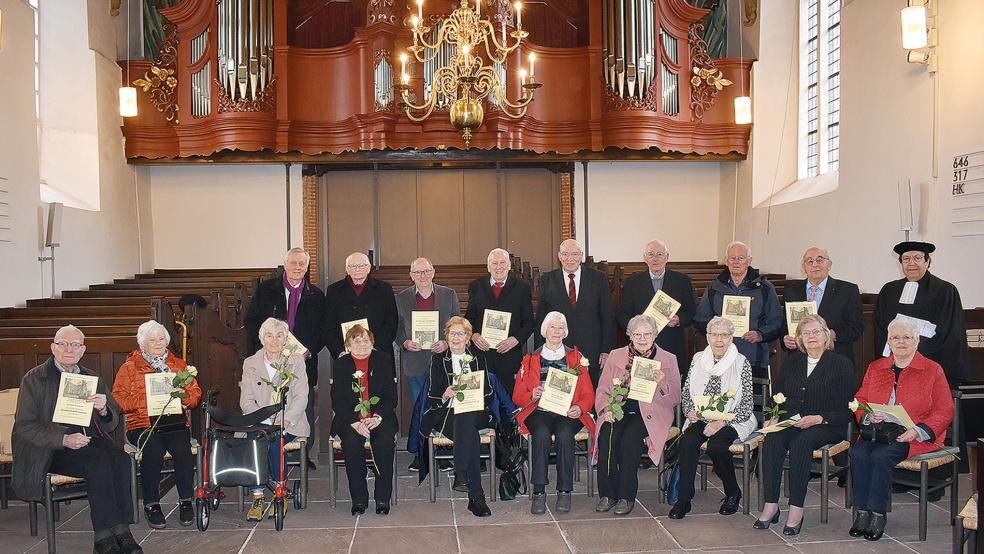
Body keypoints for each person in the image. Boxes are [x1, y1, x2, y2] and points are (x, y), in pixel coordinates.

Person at [11, 326, 143, 554]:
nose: (68, 349)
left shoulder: (91, 377)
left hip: (87, 441)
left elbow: (109, 423)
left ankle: (122, 531)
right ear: (53, 348)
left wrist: (103, 410)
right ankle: (103, 538)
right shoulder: (35, 378)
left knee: (121, 459)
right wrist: (63, 439)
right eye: (63, 344)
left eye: (75, 345)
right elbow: (25, 426)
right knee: (98, 462)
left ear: (83, 350)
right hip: (50, 450)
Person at [848, 316, 954, 541]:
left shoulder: (932, 369)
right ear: (889, 341)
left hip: (914, 434)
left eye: (907, 337)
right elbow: (860, 399)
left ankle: (877, 514)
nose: (901, 342)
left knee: (880, 456)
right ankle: (862, 511)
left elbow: (945, 410)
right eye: (896, 337)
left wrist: (918, 430)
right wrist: (868, 415)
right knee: (857, 453)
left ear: (917, 341)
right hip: (879, 430)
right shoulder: (876, 367)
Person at [755, 315, 856, 535]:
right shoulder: (794, 361)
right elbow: (778, 394)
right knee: (772, 439)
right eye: (806, 333)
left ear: (826, 335)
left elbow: (848, 407)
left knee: (802, 442)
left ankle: (796, 509)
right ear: (799, 338)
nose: (811, 337)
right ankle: (771, 504)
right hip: (792, 419)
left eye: (816, 332)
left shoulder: (841, 364)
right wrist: (774, 415)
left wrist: (820, 418)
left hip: (827, 423)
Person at [112, 320, 202, 529]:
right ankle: (152, 503)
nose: (158, 343)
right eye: (152, 340)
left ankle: (186, 501)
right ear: (142, 343)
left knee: (183, 450)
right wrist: (146, 402)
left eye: (161, 338)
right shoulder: (129, 367)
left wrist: (183, 397)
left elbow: (195, 396)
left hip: (174, 423)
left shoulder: (178, 365)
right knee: (153, 448)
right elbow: (117, 398)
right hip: (141, 424)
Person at [244, 247, 326, 468]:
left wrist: (309, 350)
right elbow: (251, 322)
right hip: (270, 357)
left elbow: (323, 329)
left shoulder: (316, 295)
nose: (298, 267)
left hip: (303, 360)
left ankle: (303, 452)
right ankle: (269, 442)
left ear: (307, 268)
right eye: (294, 263)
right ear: (285, 264)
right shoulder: (266, 290)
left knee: (303, 402)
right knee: (268, 397)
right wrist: (265, 343)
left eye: (302, 264)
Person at [593, 315, 681, 516]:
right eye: (637, 334)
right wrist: (606, 409)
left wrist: (663, 384)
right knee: (607, 435)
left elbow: (675, 398)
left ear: (655, 335)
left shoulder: (668, 359)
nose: (642, 338)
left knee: (630, 440)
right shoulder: (616, 355)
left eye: (647, 334)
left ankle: (626, 496)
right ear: (629, 335)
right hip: (619, 408)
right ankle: (608, 494)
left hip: (651, 412)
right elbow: (602, 390)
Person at [669, 316, 755, 519]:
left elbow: (746, 405)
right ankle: (684, 500)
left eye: (724, 335)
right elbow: (687, 390)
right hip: (702, 416)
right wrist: (690, 410)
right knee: (688, 441)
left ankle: (733, 493)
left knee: (717, 445)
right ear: (707, 337)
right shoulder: (699, 358)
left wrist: (721, 422)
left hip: (733, 418)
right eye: (714, 335)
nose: (719, 340)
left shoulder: (741, 362)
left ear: (731, 338)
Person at [514, 311, 596, 515]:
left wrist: (581, 407)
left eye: (561, 328)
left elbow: (588, 393)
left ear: (565, 332)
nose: (557, 332)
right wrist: (532, 395)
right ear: (544, 330)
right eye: (553, 327)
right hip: (539, 410)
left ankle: (564, 491)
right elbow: (517, 396)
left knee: (565, 435)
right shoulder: (531, 358)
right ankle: (539, 492)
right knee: (540, 434)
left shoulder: (576, 357)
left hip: (568, 412)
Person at [417, 316, 498, 517]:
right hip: (446, 413)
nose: (456, 338)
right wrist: (445, 394)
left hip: (476, 411)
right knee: (468, 431)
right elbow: (432, 397)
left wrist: (474, 394)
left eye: (460, 333)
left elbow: (489, 394)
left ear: (468, 337)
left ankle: (461, 472)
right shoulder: (438, 359)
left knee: (466, 416)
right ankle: (476, 497)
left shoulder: (478, 357)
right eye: (452, 333)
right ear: (446, 336)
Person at [239, 317, 310, 522]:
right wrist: (263, 418)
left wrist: (285, 419)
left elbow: (301, 396)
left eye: (280, 335)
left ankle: (279, 492)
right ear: (261, 339)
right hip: (259, 421)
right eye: (269, 335)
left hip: (290, 421)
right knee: (257, 440)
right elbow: (246, 401)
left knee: (276, 441)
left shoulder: (295, 361)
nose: (274, 340)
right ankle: (258, 495)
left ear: (286, 338)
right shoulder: (250, 363)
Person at [874, 241, 968, 387]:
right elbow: (880, 329)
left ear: (927, 261)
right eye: (906, 259)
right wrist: (894, 356)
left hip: (931, 365)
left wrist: (912, 354)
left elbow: (950, 334)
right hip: (895, 364)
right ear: (901, 263)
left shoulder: (945, 291)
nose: (911, 263)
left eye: (917, 258)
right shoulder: (889, 291)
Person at [330, 325, 398, 516]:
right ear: (348, 344)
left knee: (384, 442)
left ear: (372, 343)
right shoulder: (341, 364)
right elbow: (338, 400)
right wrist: (355, 423)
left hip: (379, 417)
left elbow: (391, 397)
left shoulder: (383, 360)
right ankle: (359, 499)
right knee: (351, 443)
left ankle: (382, 498)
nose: (361, 344)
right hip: (350, 420)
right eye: (356, 340)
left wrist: (376, 417)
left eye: (365, 340)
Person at [694, 241, 783, 378]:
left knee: (751, 398)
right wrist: (717, 332)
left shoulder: (764, 288)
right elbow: (700, 319)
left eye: (741, 258)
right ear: (726, 260)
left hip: (753, 356)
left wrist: (760, 334)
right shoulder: (714, 287)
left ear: (749, 261)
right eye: (732, 258)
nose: (736, 262)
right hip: (719, 355)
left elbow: (776, 321)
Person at [535, 239, 616, 386]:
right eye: (565, 254)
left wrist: (606, 350)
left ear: (581, 256)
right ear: (559, 256)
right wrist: (539, 352)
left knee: (590, 393)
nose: (570, 259)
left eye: (574, 254)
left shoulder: (598, 279)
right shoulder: (547, 280)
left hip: (592, 348)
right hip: (559, 349)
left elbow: (608, 316)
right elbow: (542, 319)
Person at [617, 239, 698, 375]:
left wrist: (679, 319)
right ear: (644, 258)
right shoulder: (633, 282)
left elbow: (691, 311)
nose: (655, 259)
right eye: (651, 254)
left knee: (670, 389)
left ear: (667, 257)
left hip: (672, 344)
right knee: (642, 390)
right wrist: (635, 328)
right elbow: (622, 315)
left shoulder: (682, 281)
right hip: (641, 346)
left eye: (660, 254)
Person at [464, 248, 534, 393]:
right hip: (482, 355)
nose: (498, 266)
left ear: (509, 265)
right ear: (488, 267)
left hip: (509, 356)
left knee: (507, 404)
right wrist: (474, 335)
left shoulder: (522, 288)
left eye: (502, 262)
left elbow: (529, 323)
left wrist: (515, 340)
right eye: (494, 263)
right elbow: (469, 319)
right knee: (483, 403)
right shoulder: (476, 286)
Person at [395, 257, 461, 408]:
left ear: (433, 272)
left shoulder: (449, 295)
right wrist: (405, 342)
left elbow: (457, 325)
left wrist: (447, 342)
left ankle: (441, 433)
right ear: (411, 275)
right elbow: (397, 329)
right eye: (417, 272)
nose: (422, 276)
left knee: (445, 406)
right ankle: (422, 433)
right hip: (415, 363)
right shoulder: (401, 298)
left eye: (426, 271)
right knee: (420, 407)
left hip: (443, 361)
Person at [781, 247, 864, 362]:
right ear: (804, 267)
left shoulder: (847, 290)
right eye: (810, 261)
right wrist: (784, 338)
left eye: (819, 260)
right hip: (799, 358)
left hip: (834, 358)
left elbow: (856, 326)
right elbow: (783, 324)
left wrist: (832, 334)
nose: (814, 265)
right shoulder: (791, 291)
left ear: (829, 264)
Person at [324, 252, 399, 359]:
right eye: (353, 266)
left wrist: (375, 347)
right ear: (347, 269)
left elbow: (391, 322)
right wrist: (339, 351)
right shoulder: (334, 290)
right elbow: (329, 325)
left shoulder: (384, 289)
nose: (357, 269)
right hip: (346, 355)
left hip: (378, 353)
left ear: (369, 268)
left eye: (362, 265)